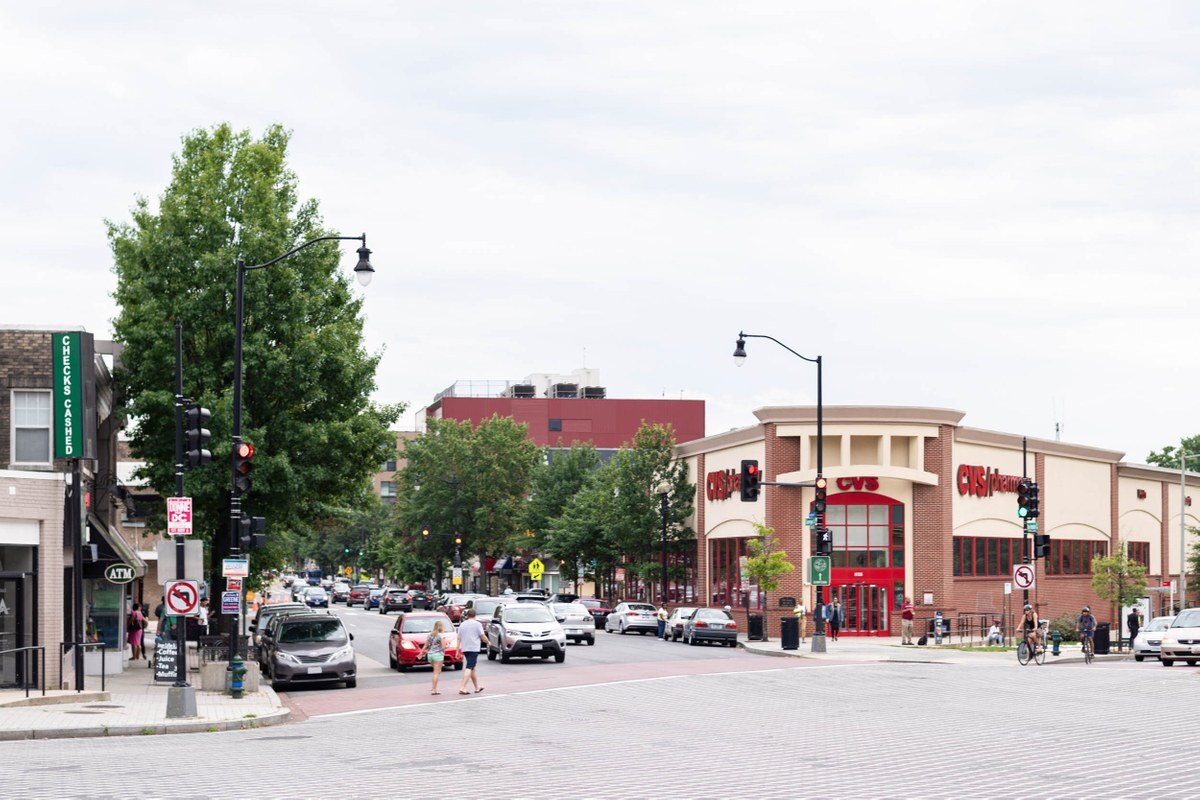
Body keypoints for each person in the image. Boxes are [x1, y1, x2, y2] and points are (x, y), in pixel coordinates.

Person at [457, 607, 490, 695]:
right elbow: (482, 636)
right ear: (475, 615)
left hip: (465, 648)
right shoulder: (477, 624)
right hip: (473, 648)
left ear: (467, 615)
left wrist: (457, 650)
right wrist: (488, 642)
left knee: (472, 668)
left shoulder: (462, 624)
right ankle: (462, 687)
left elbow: (458, 638)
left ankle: (477, 687)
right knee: (469, 667)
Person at [418, 618, 448, 695]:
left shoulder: (430, 635)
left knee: (437, 671)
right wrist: (448, 645)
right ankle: (434, 690)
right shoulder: (441, 635)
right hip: (438, 655)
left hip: (430, 655)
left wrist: (421, 653)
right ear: (441, 627)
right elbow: (443, 646)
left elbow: (426, 645)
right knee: (436, 672)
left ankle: (434, 688)